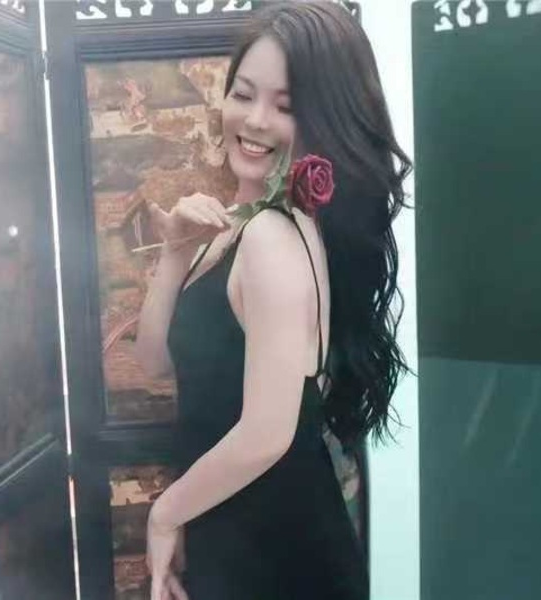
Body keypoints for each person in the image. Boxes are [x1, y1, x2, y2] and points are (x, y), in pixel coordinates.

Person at [135, 1, 411, 598]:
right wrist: (176, 251)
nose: (255, 119)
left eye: (286, 106)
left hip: (277, 552)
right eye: (243, 93)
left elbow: (267, 433)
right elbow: (155, 362)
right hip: (238, 530)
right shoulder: (238, 227)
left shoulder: (271, 236)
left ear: (323, 120)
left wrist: (164, 514)